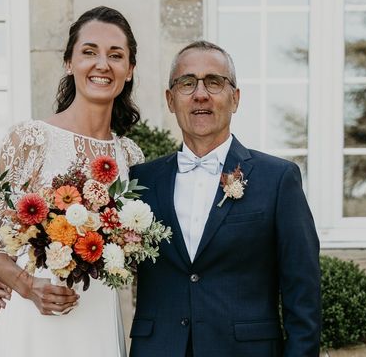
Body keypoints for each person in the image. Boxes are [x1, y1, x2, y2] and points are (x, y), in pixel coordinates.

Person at [0, 6, 145, 357]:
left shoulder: (131, 156)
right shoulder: (29, 139)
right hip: (35, 319)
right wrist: (25, 284)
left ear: (130, 69)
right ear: (69, 62)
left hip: (98, 319)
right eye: (89, 52)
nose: (102, 64)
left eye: (116, 55)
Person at [128, 41, 321, 356]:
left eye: (214, 82)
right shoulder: (140, 182)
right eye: (187, 83)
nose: (200, 94)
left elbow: (304, 294)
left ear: (235, 98)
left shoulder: (278, 179)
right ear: (170, 99)